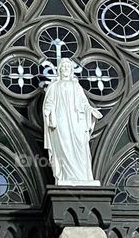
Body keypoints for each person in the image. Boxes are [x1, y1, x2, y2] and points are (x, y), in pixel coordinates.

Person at [42, 58, 102, 186]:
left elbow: (84, 103)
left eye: (67, 67)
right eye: (62, 67)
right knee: (65, 145)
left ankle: (82, 176)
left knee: (80, 146)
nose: (65, 69)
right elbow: (49, 102)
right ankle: (66, 175)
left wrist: (91, 110)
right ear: (59, 70)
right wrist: (47, 112)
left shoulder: (76, 85)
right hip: (61, 119)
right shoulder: (54, 85)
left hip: (77, 120)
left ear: (71, 70)